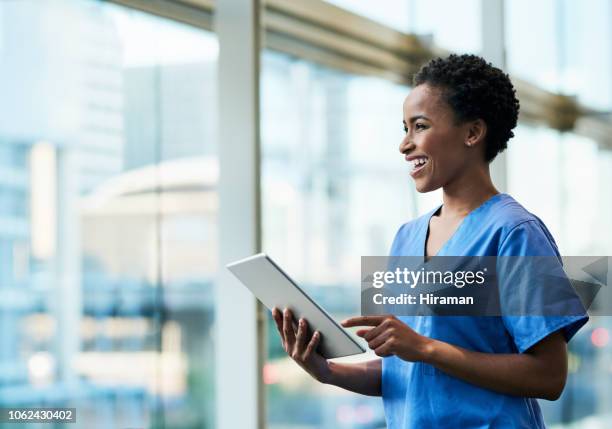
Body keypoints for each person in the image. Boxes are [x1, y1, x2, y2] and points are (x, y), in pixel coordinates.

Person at [271, 54, 589, 428]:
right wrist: (326, 371)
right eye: (404, 129)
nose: (404, 145)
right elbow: (403, 374)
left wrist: (427, 348)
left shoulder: (516, 233)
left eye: (419, 126)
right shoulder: (405, 238)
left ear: (472, 133)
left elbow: (549, 377)